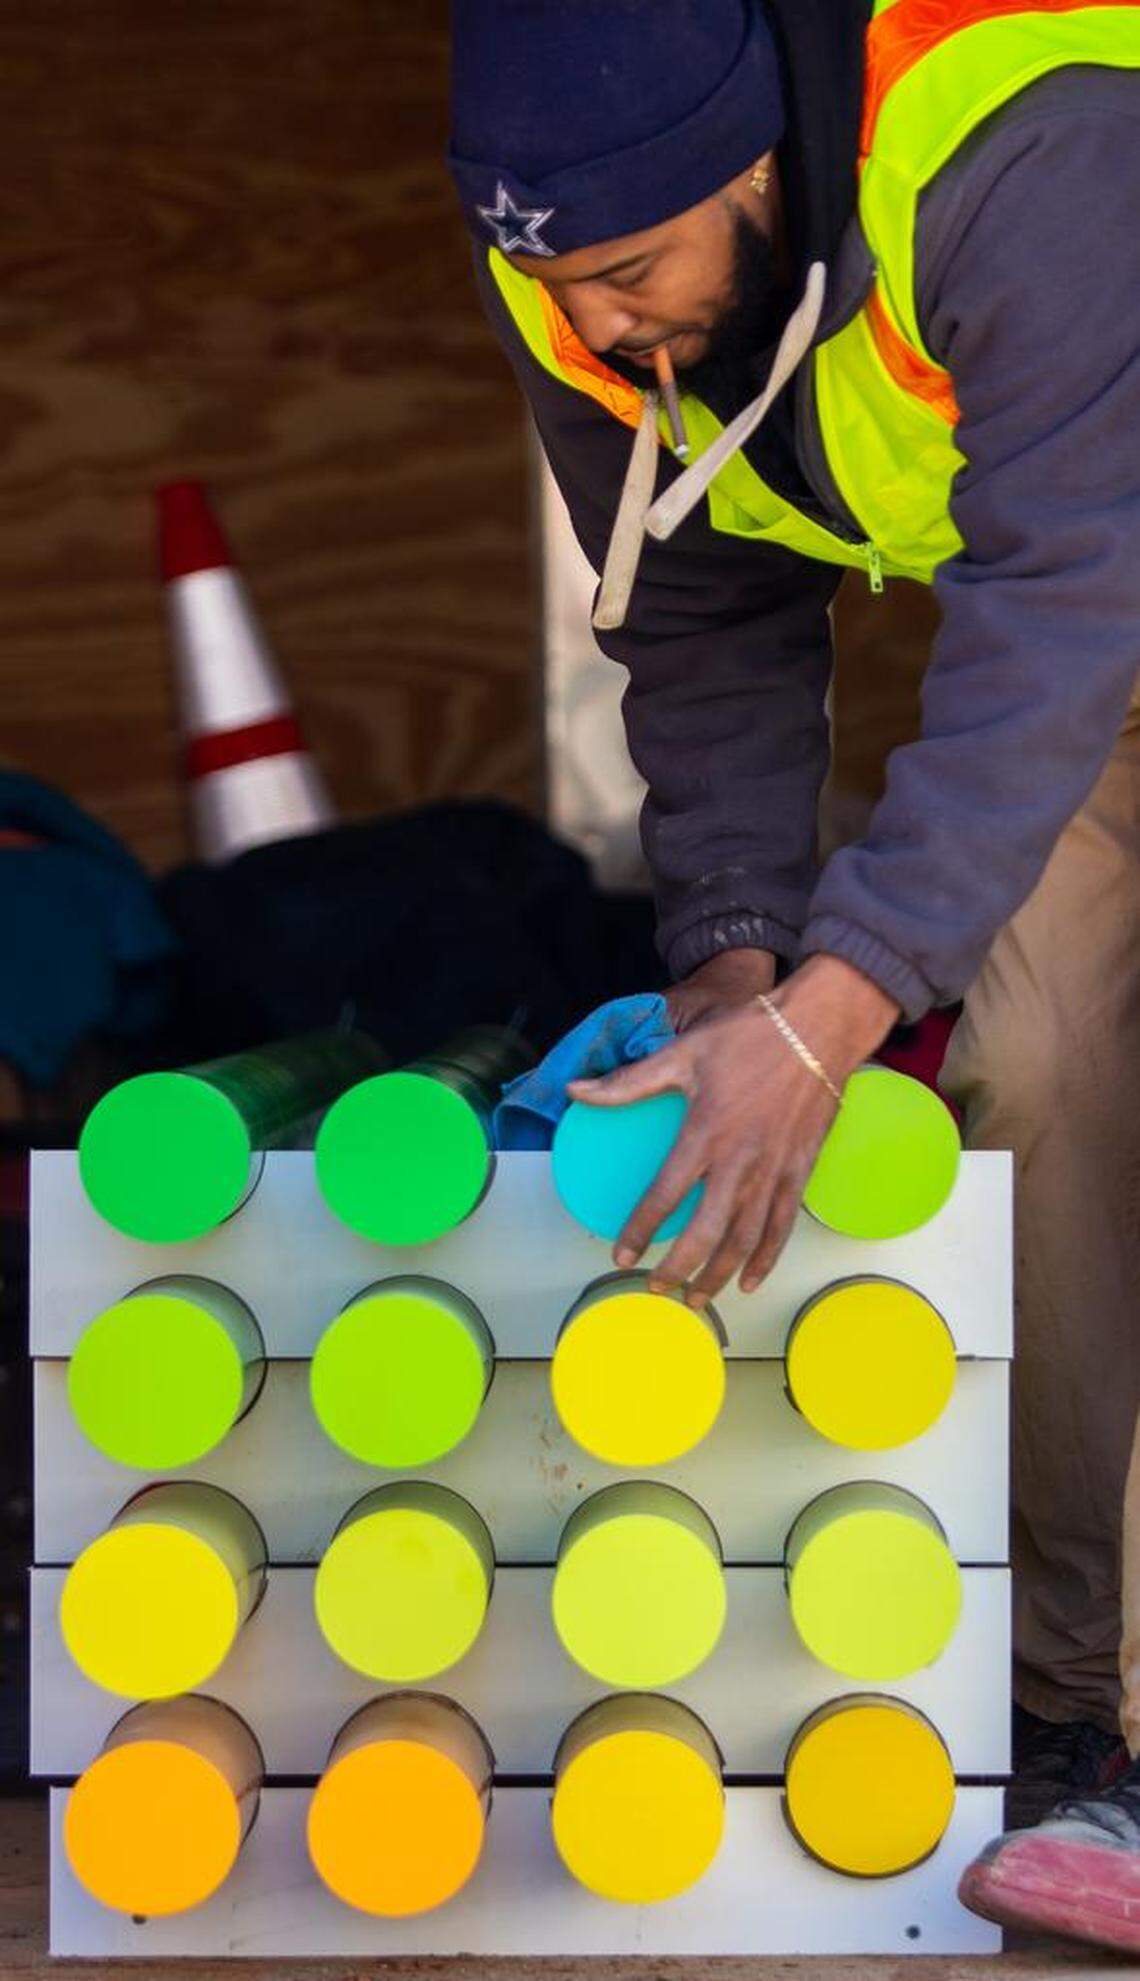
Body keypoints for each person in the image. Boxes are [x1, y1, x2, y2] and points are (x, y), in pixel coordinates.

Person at [448, 0, 1140, 1951]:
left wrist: (839, 1014)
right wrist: (734, 986)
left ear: (757, 159)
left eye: (640, 276)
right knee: (1044, 1065)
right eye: (563, 289)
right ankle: (1066, 1715)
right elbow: (708, 607)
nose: (611, 329)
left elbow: (1067, 591)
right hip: (1082, 631)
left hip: (1091, 581)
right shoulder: (577, 281)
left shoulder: (1014, 137)